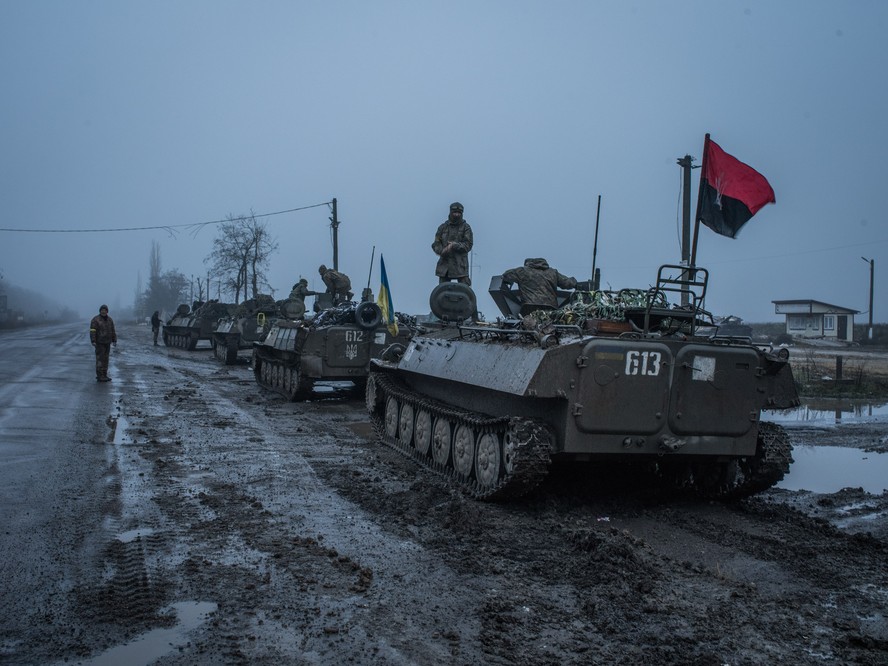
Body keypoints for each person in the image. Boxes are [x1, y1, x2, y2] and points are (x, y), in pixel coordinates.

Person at [501, 258, 578, 315]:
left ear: (527, 263)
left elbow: (506, 275)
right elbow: (568, 283)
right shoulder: (553, 272)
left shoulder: (522, 271)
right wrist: (575, 283)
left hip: (528, 308)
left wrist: (508, 282)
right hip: (550, 308)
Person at [432, 201, 473, 285]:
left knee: (464, 291)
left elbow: (468, 245)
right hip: (444, 266)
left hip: (460, 266)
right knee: (442, 291)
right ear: (450, 212)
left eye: (459, 213)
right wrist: (441, 251)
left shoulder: (466, 228)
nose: (456, 215)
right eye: (454, 212)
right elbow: (436, 243)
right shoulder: (442, 227)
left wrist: (454, 245)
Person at [89, 304, 117, 382]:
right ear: (100, 311)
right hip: (99, 342)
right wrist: (93, 341)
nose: (103, 311)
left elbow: (113, 330)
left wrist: (114, 339)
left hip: (107, 342)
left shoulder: (110, 320)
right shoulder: (95, 320)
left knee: (106, 359)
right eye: (102, 310)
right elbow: (92, 331)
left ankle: (104, 375)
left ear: (107, 311)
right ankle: (99, 375)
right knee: (100, 359)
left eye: (105, 310)